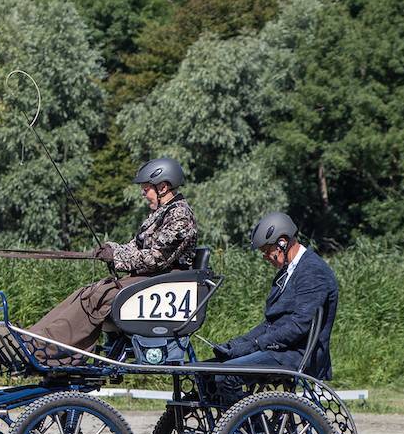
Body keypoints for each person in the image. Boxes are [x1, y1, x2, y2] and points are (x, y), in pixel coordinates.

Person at [30, 157, 197, 358]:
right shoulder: (161, 213)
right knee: (88, 291)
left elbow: (156, 258)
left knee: (99, 295)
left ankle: (46, 350)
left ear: (163, 187)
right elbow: (135, 246)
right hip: (151, 280)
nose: (143, 194)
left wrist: (116, 256)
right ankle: (34, 336)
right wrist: (111, 248)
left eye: (146, 189)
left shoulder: (180, 215)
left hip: (165, 283)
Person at [211, 212, 338, 405]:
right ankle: (232, 421)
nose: (265, 257)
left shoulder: (313, 271)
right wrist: (237, 344)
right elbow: (271, 323)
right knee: (207, 371)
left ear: (282, 242)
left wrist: (255, 345)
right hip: (282, 350)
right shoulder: (287, 271)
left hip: (297, 354)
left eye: (266, 251)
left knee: (226, 376)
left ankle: (250, 424)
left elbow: (298, 326)